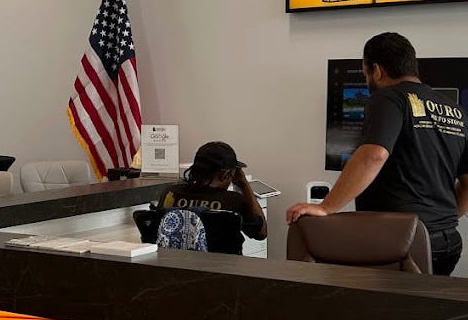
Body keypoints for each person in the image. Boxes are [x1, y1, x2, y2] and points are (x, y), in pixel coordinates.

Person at [286, 32, 468, 275]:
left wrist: (326, 207)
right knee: (423, 310)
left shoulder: (388, 97)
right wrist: (441, 222)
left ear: (377, 70)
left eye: (365, 74)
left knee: (387, 310)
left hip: (402, 241)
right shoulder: (455, 110)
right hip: (448, 242)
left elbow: (374, 154)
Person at [158, 141, 268, 246]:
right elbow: (261, 233)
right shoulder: (233, 200)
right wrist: (244, 184)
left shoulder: (170, 193)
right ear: (226, 174)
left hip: (174, 262)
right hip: (223, 264)